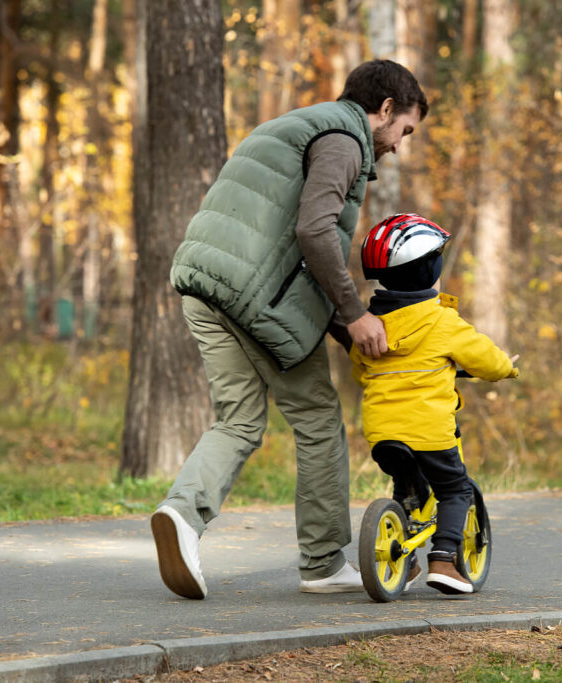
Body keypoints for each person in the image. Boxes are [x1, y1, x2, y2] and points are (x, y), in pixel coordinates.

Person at [150, 61, 429, 600]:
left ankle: (181, 515)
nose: (399, 145)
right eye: (405, 131)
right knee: (319, 418)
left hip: (205, 286)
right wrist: (353, 313)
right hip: (256, 300)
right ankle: (324, 563)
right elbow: (314, 230)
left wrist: (349, 335)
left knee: (237, 421)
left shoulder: (295, 124)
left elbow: (283, 246)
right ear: (387, 110)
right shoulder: (346, 139)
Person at [350, 213, 519, 594]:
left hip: (381, 433)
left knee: (406, 487)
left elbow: (360, 368)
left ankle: (402, 560)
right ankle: (443, 559)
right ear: (430, 271)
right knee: (455, 488)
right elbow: (484, 358)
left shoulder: (369, 325)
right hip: (430, 432)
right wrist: (507, 368)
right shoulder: (443, 321)